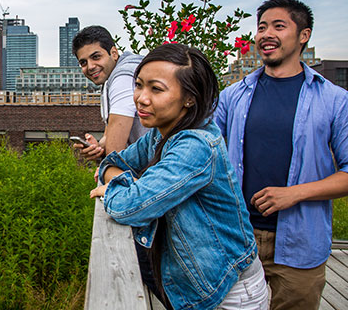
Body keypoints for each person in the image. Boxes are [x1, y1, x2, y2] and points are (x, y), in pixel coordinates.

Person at [91, 43, 268, 309]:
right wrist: (125, 182)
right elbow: (112, 161)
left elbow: (131, 206)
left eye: (156, 89)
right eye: (139, 85)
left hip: (228, 291)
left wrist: (119, 186)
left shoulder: (195, 145)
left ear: (189, 98)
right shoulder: (159, 134)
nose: (141, 97)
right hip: (198, 283)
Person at [214, 0, 348, 310]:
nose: (266, 34)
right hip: (236, 238)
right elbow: (202, 152)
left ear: (304, 36)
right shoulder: (232, 96)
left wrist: (294, 194)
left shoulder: (335, 100)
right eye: (261, 27)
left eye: (278, 26)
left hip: (300, 245)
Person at [72, 25, 148, 161]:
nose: (90, 66)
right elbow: (110, 135)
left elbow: (115, 154)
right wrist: (97, 148)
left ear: (113, 53)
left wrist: (104, 168)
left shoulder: (123, 78)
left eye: (96, 57)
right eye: (83, 62)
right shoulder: (110, 78)